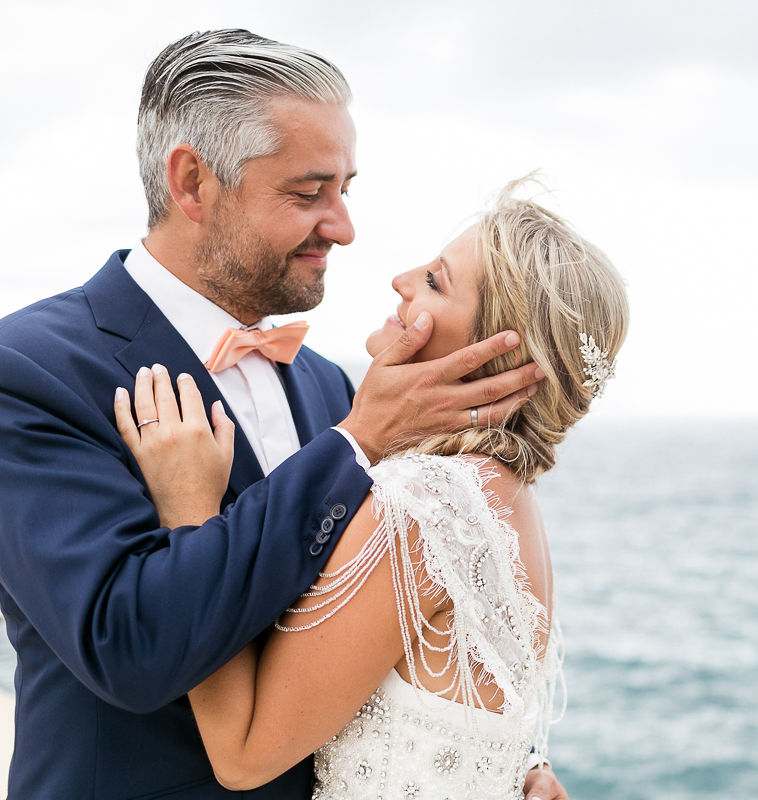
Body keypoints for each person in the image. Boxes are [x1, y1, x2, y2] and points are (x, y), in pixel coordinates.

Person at [0, 29, 566, 800]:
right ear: (193, 183)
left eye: (345, 189)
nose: (343, 226)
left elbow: (376, 636)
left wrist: (494, 759)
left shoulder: (330, 387)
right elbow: (126, 648)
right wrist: (356, 443)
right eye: (309, 193)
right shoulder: (33, 370)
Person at [115, 180, 627, 799]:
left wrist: (190, 509)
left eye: (436, 283)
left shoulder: (433, 503)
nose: (402, 279)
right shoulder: (505, 496)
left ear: (484, 355)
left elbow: (244, 756)